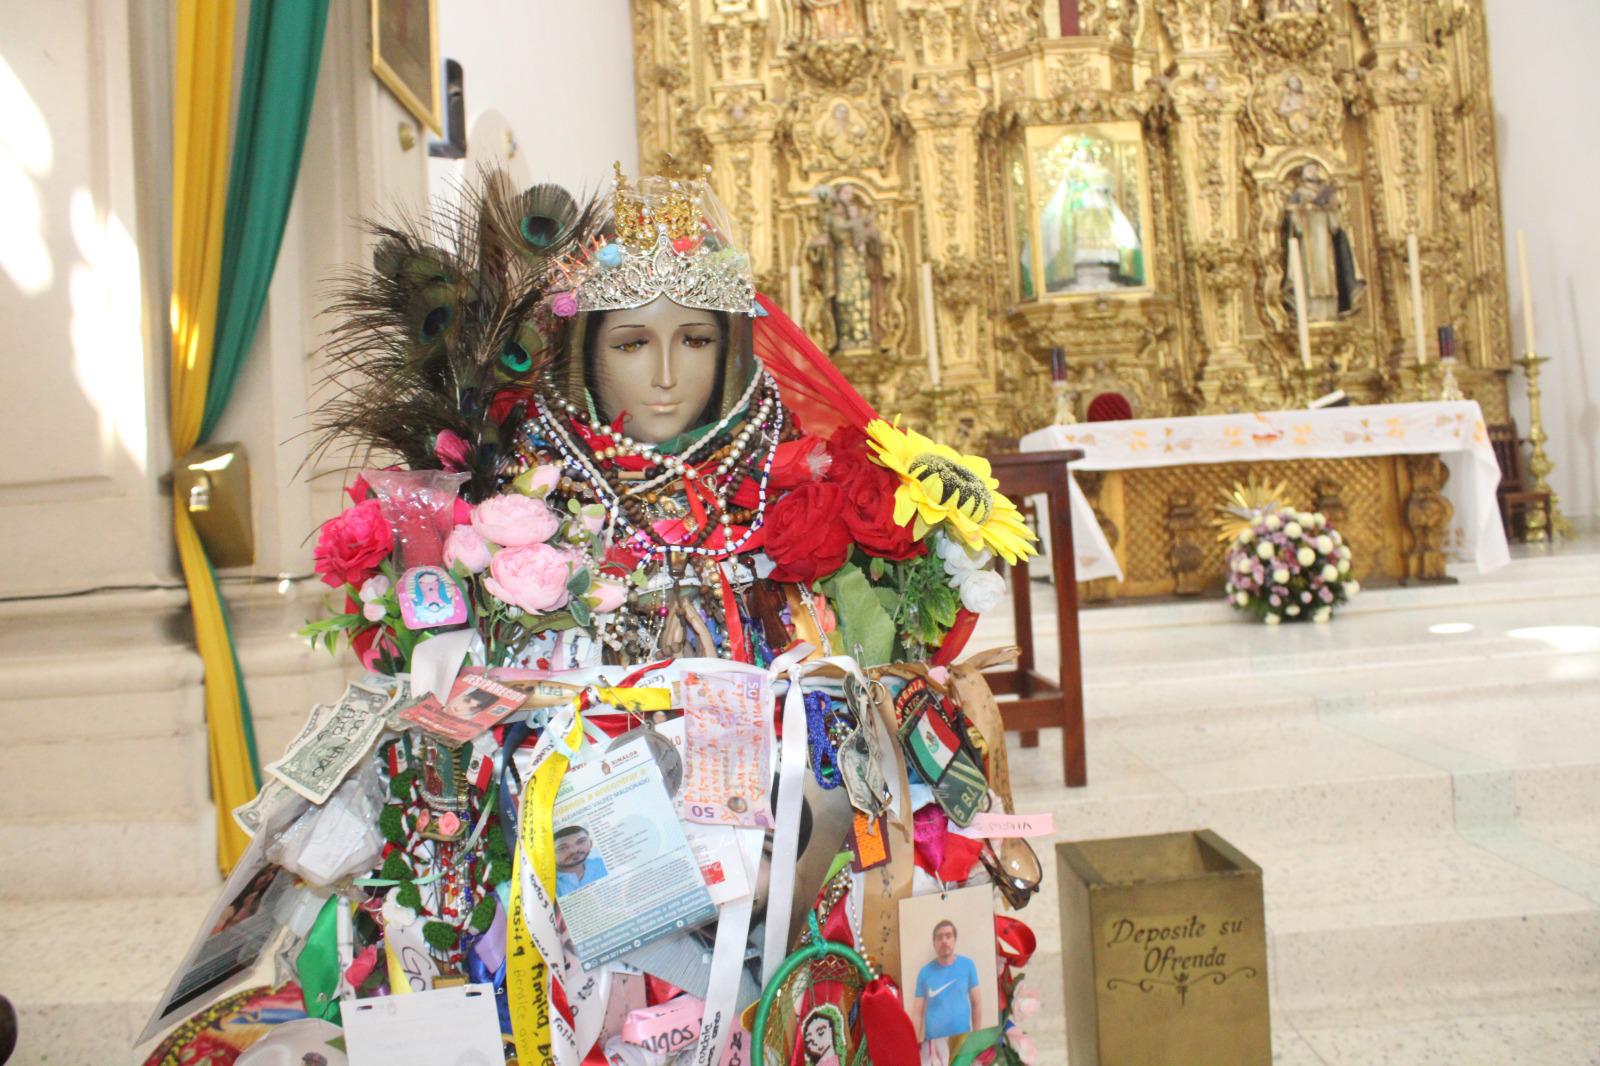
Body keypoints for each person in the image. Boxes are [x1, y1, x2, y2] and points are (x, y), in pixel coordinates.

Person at [913, 920, 982, 1042]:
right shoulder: (924, 973)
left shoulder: (968, 965)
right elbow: (918, 1014)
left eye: (948, 936)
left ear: (954, 940)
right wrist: (915, 1044)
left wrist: (976, 1038)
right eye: (939, 937)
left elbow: (976, 1004)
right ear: (934, 944)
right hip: (933, 1044)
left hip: (962, 1041)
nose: (944, 940)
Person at [554, 826, 609, 896]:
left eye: (581, 841)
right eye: (562, 848)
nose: (574, 850)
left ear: (591, 843)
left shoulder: (602, 864)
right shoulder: (548, 884)